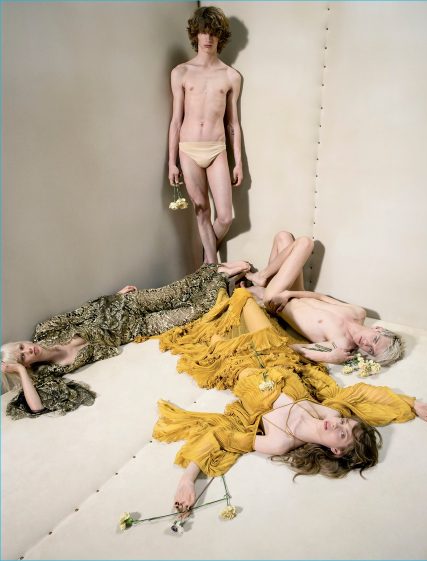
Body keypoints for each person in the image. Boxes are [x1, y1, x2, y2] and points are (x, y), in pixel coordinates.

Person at [149, 288, 427, 512]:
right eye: (345, 422)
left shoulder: (279, 442)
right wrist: (413, 404)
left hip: (235, 360)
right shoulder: (327, 412)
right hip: (275, 349)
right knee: (242, 297)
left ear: (335, 451)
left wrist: (187, 480)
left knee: (210, 325)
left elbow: (222, 436)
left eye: (342, 434)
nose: (338, 424)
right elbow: (362, 394)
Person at [1, 261, 250, 419]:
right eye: (23, 357)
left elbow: (81, 312)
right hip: (133, 329)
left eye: (22, 347)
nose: (28, 350)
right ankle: (223, 278)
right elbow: (37, 407)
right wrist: (20, 372)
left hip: (124, 306)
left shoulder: (45, 330)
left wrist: (116, 296)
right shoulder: (47, 373)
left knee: (176, 291)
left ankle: (219, 269)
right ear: (26, 365)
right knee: (193, 311)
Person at [243, 231, 404, 366]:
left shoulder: (341, 344)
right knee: (283, 236)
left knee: (305, 242)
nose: (367, 344)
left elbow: (295, 348)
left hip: (277, 302)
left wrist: (329, 357)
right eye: (375, 339)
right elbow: (321, 297)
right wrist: (289, 294)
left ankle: (263, 278)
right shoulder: (358, 312)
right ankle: (264, 280)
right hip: (293, 293)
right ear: (378, 329)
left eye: (371, 351)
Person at [168, 6, 243, 264]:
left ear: (220, 36)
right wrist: (171, 162)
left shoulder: (231, 76)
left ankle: (205, 265)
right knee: (201, 209)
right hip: (188, 148)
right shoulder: (181, 72)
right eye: (203, 31)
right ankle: (211, 269)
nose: (208, 38)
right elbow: (175, 121)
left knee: (225, 217)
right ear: (195, 34)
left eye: (213, 32)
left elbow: (233, 124)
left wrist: (239, 163)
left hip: (217, 149)